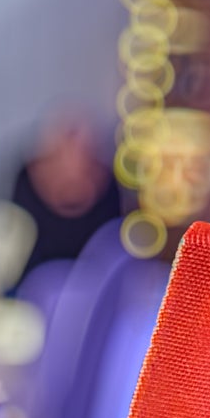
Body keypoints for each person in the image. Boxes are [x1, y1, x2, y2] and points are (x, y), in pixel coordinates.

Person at [8, 111, 125, 289]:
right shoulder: (25, 181)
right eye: (66, 145)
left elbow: (113, 253)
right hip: (23, 293)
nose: (73, 154)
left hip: (92, 295)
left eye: (83, 148)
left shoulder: (109, 186)